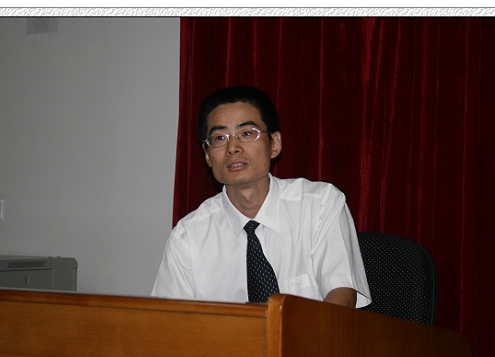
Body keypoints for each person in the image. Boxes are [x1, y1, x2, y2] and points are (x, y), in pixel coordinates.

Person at [152, 85, 371, 308]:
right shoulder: (188, 236)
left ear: (274, 144)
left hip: (312, 332)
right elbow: (167, 320)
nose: (232, 148)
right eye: (219, 138)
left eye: (247, 134)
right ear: (207, 156)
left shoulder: (320, 204)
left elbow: (342, 296)